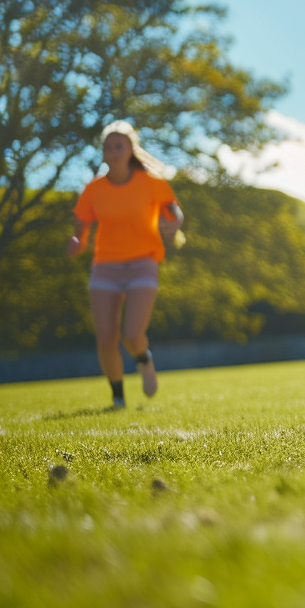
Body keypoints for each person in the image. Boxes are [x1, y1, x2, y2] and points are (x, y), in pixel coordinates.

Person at [67, 121, 183, 409]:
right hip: (105, 266)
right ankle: (117, 397)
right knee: (106, 337)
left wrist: (174, 223)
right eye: (108, 146)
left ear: (131, 149)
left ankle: (143, 359)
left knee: (132, 336)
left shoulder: (152, 183)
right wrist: (77, 241)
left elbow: (173, 210)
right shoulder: (94, 189)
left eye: (119, 145)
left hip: (142, 263)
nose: (113, 151)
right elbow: (81, 224)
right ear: (103, 153)